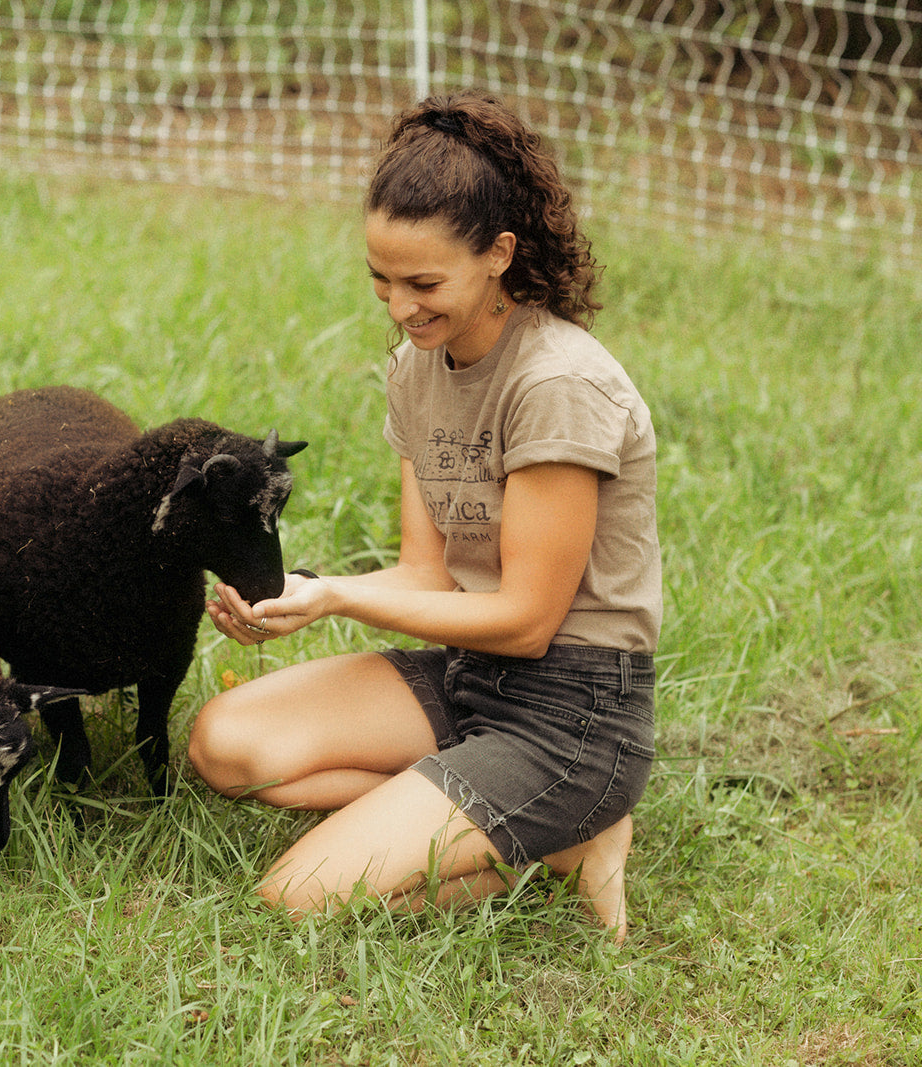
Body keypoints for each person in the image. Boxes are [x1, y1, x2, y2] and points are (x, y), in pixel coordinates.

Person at [187, 90, 660, 943]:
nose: (401, 308)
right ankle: (533, 829)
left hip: (574, 712)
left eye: (424, 283)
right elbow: (424, 572)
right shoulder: (417, 366)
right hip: (468, 676)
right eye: (382, 280)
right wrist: (300, 596)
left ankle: (561, 835)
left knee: (299, 896)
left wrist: (338, 597)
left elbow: (527, 621)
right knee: (225, 743)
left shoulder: (557, 384)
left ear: (499, 255)